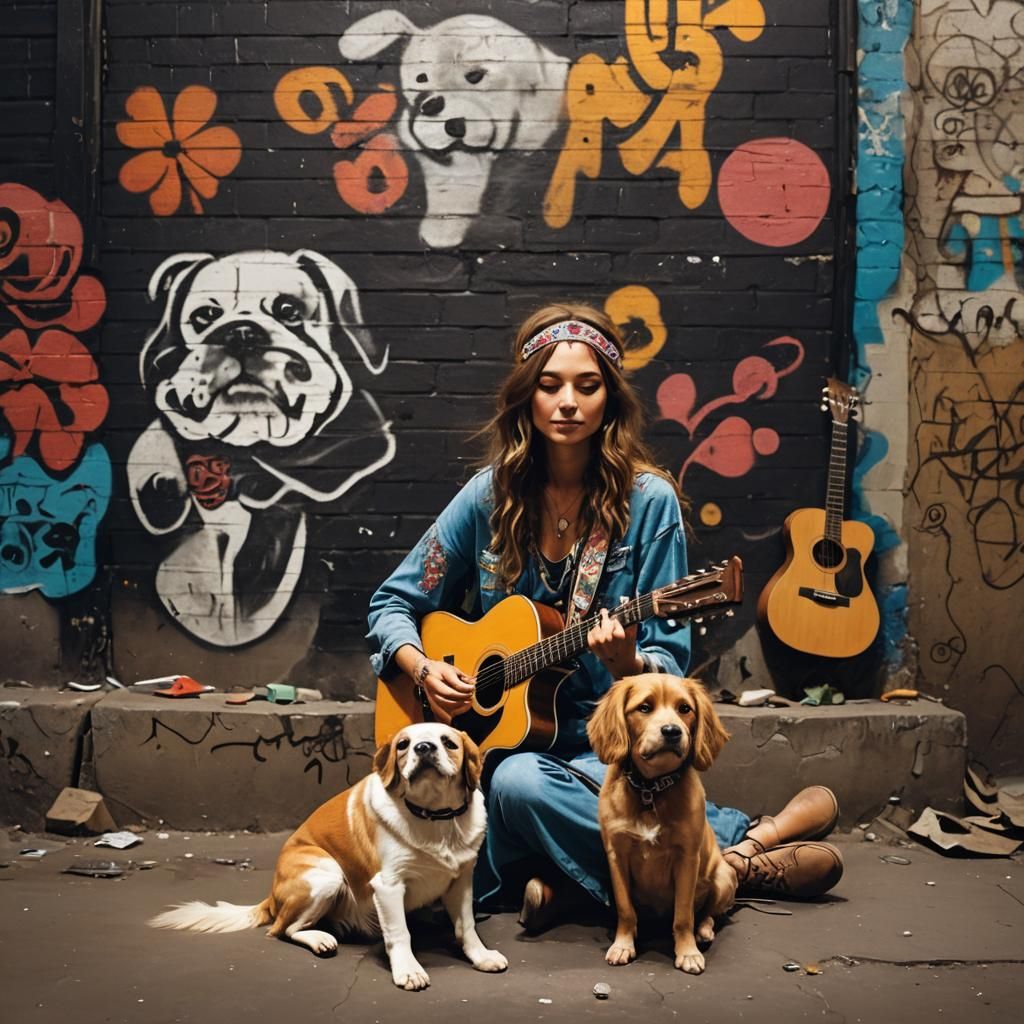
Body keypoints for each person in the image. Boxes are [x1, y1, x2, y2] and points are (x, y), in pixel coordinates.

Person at [366, 303, 844, 931]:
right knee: (494, 794)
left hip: (610, 756)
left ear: (609, 401)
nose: (567, 402)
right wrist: (423, 667)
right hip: (501, 747)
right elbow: (391, 602)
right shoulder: (488, 496)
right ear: (526, 398)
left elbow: (668, 664)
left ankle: (631, 878)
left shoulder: (649, 504)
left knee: (519, 792)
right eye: (549, 385)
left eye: (587, 387)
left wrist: (629, 665)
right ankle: (734, 858)